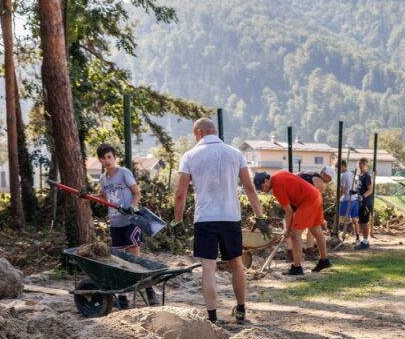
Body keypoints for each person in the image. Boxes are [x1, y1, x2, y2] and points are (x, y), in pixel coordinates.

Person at [172, 117, 270, 324]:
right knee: (236, 264)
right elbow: (250, 188)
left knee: (208, 268)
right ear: (214, 131)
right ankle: (241, 310)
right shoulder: (235, 153)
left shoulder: (190, 155)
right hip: (230, 217)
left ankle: (212, 317)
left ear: (198, 133)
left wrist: (177, 220)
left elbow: (180, 193)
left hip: (205, 219)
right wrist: (259, 216)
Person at [96, 143, 158, 307]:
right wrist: (87, 195)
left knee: (134, 259)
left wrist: (132, 206)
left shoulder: (123, 173)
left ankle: (150, 291)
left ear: (114, 158)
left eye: (109, 157)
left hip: (130, 221)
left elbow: (137, 193)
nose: (107, 161)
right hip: (115, 223)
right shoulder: (103, 179)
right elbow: (104, 197)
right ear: (100, 161)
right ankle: (122, 298)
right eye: (103, 158)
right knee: (119, 261)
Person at [254, 170, 332, 275]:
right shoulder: (279, 174)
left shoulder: (277, 187)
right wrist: (289, 228)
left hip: (308, 200)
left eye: (262, 187)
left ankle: (297, 267)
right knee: (316, 230)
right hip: (315, 196)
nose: (262, 191)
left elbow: (289, 212)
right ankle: (324, 260)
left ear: (266, 181)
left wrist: (288, 230)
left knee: (295, 234)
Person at [353, 158, 374, 250]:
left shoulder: (366, 176)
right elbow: (359, 188)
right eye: (360, 163)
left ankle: (366, 242)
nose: (361, 165)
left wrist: (363, 196)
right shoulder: (358, 176)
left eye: (363, 164)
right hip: (360, 202)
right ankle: (364, 240)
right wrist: (354, 192)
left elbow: (370, 189)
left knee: (364, 222)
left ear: (366, 165)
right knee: (361, 222)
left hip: (366, 203)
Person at [338, 159, 360, 241]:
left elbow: (342, 190)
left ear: (343, 166)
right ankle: (357, 237)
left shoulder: (344, 175)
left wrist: (338, 198)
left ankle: (335, 233)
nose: (338, 170)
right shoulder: (351, 173)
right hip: (355, 199)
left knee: (338, 216)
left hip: (348, 199)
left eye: (338, 167)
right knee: (354, 219)